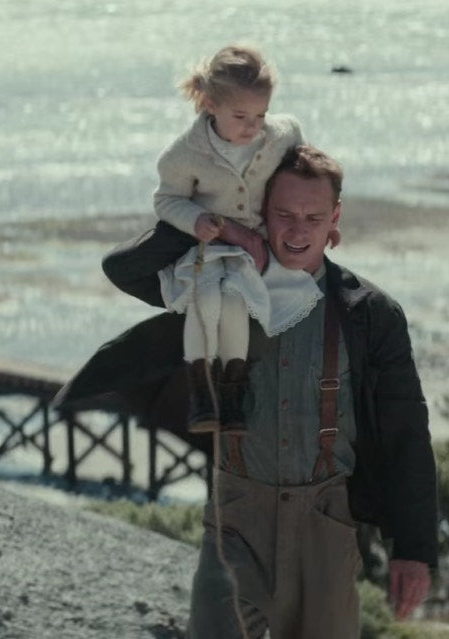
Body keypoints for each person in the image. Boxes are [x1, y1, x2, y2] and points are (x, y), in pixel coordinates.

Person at [93, 144, 437, 637]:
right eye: (284, 214)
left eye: (313, 217)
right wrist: (215, 222)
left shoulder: (371, 314)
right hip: (235, 522)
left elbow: (407, 434)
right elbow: (124, 269)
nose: (298, 231)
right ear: (261, 211)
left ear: (335, 217)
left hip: (326, 527)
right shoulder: (215, 281)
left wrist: (414, 549)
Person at [148, 44, 324, 436]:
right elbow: (166, 199)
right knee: (205, 300)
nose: (252, 127)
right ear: (211, 105)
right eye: (241, 117)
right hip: (207, 246)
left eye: (261, 114)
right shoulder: (186, 152)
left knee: (233, 304)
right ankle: (200, 393)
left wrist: (324, 220)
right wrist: (196, 219)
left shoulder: (283, 134)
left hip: (253, 249)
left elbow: (310, 176)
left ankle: (232, 395)